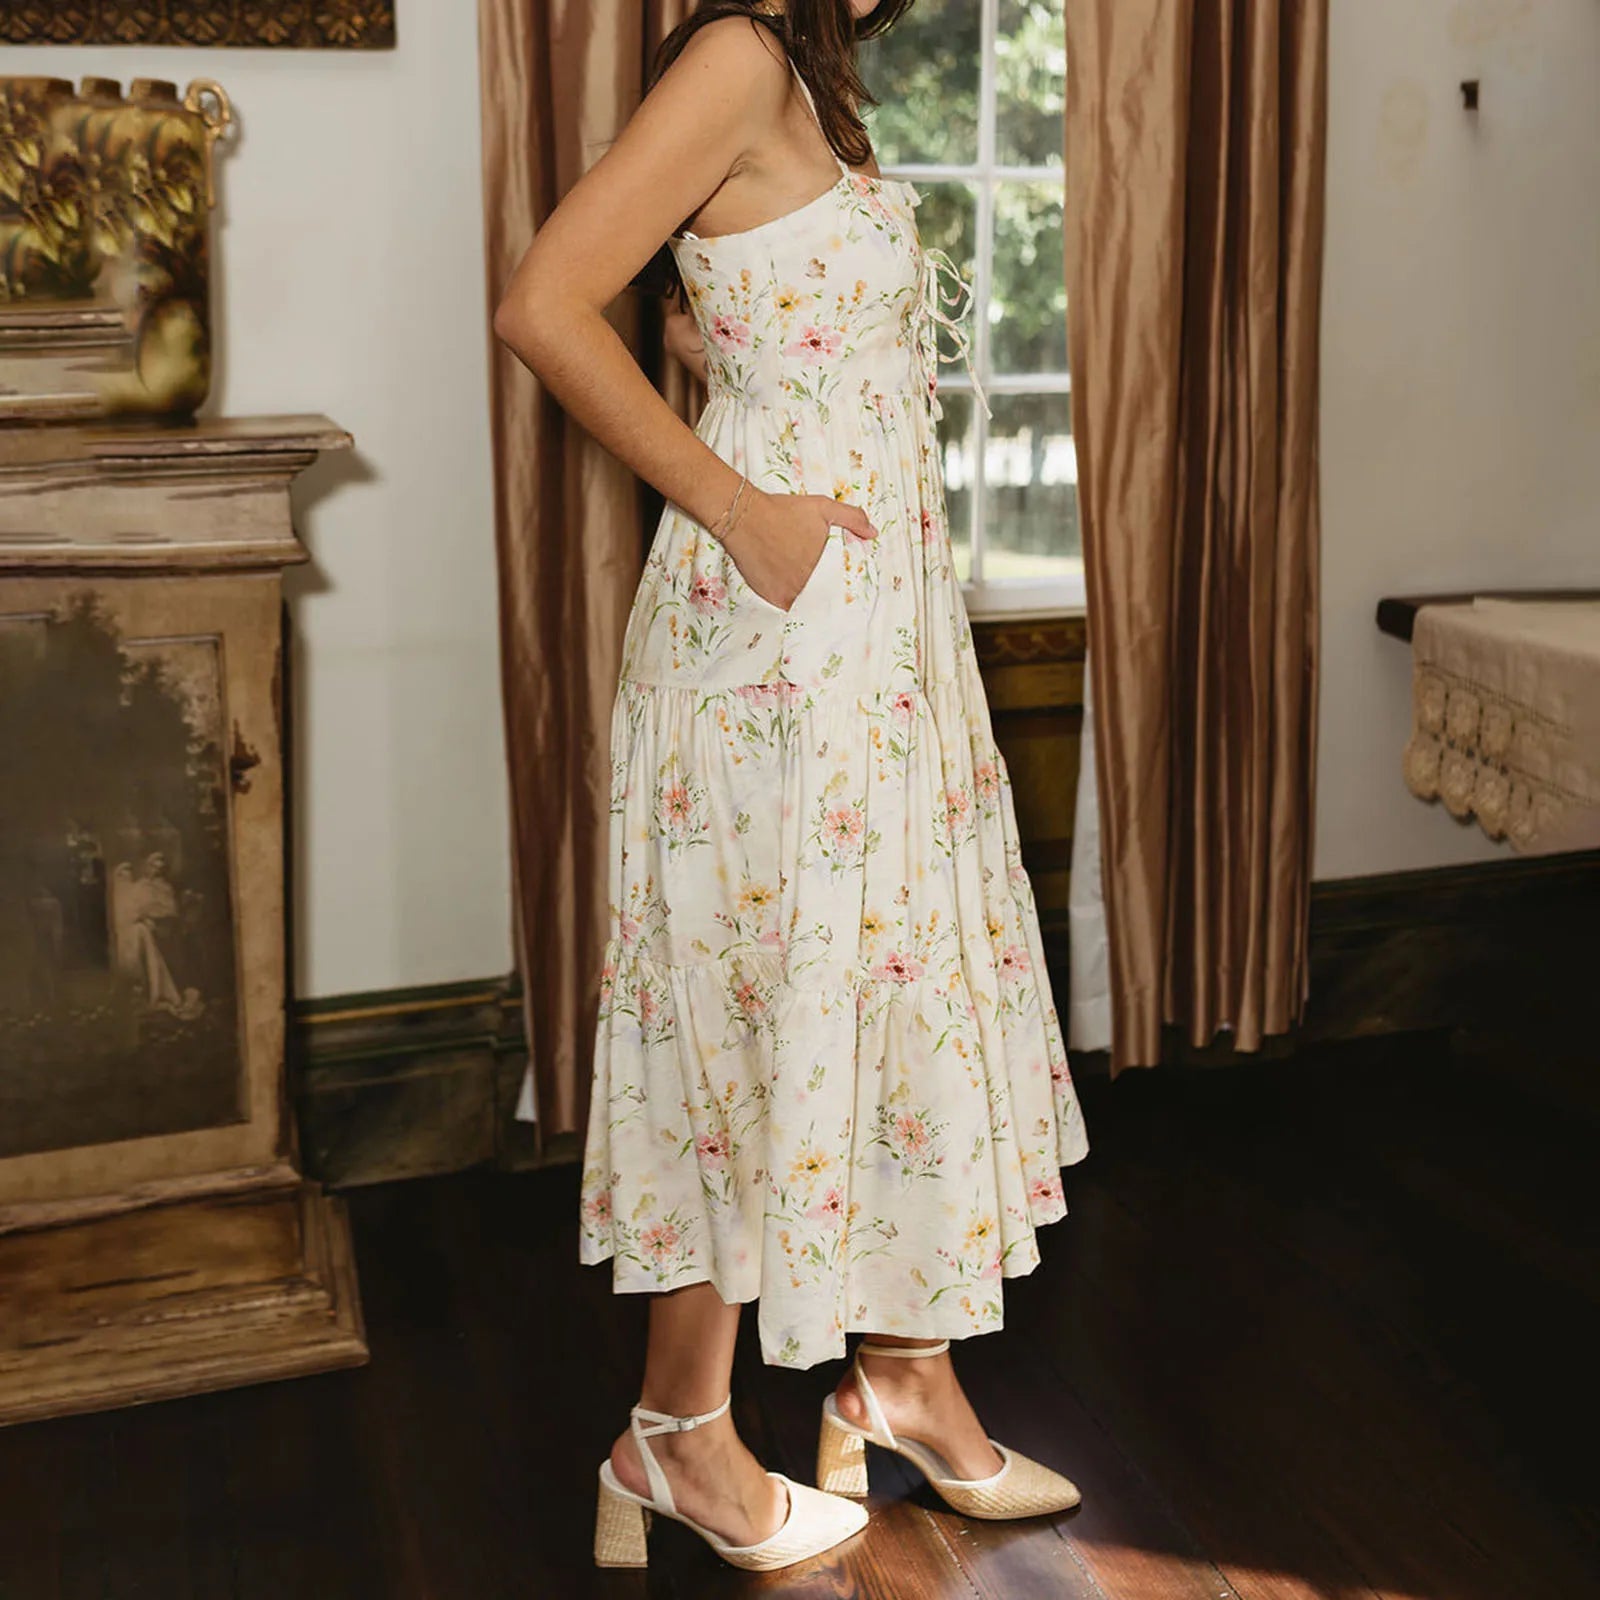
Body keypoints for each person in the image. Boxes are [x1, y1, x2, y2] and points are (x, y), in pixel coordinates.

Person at [492, 0, 1090, 1572]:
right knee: (758, 1004)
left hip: (874, 643)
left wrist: (714, 344)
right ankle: (677, 1434)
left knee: (879, 993)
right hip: (776, 641)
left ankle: (903, 1375)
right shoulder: (741, 56)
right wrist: (743, 509)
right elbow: (546, 303)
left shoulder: (815, 81)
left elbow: (754, 305)